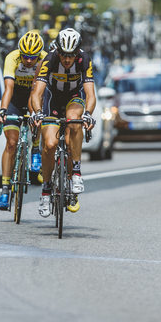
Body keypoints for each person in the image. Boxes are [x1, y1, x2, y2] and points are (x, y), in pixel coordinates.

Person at [30, 28, 96, 217]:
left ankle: (75, 173)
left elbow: (91, 94)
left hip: (74, 97)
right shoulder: (49, 59)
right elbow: (37, 93)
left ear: (77, 52)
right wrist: (36, 112)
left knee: (75, 122)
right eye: (64, 55)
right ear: (58, 51)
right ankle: (46, 190)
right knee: (49, 145)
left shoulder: (85, 60)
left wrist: (89, 113)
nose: (67, 60)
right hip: (53, 99)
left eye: (71, 55)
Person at [0, 32, 48, 210]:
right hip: (16, 98)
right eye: (25, 56)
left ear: (39, 54)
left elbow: (42, 92)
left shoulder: (46, 59)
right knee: (11, 142)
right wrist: (3, 109)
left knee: (37, 111)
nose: (28, 61)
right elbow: (8, 88)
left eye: (32, 57)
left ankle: (35, 149)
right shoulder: (12, 58)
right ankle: (4, 190)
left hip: (36, 96)